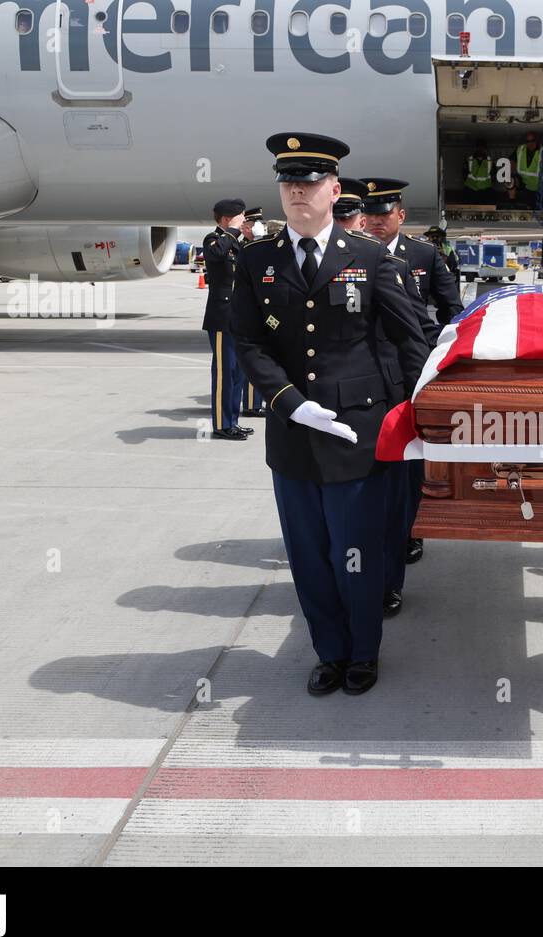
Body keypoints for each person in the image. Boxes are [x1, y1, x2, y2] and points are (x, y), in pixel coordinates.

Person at [229, 133, 430, 696]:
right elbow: (249, 342)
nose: (298, 190)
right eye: (289, 181)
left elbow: (407, 341)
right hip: (293, 435)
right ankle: (330, 651)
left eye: (311, 180)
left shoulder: (368, 258)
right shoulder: (257, 260)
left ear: (334, 189)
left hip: (356, 435)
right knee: (310, 557)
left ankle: (363, 650)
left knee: (356, 554)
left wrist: (410, 413)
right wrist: (291, 403)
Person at [361, 177, 458, 574]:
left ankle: (410, 527)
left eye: (385, 214)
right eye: (371, 214)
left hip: (408, 366)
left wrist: (446, 357)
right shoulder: (352, 252)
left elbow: (452, 309)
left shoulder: (423, 254)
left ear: (400, 215)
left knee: (409, 456)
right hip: (365, 367)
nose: (377, 221)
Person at [201, 198, 252, 440]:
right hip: (222, 318)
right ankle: (221, 424)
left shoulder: (235, 243)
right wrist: (232, 230)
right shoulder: (213, 239)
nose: (243, 221)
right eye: (239, 217)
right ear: (226, 219)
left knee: (238, 372)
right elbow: (216, 253)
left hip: (239, 317)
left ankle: (232, 420)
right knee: (224, 371)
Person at [237, 208, 268, 418]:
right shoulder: (241, 247)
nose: (259, 228)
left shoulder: (260, 245)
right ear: (245, 228)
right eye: (254, 225)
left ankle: (254, 402)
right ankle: (251, 403)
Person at [510, 131, 543, 208]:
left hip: (536, 185)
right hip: (522, 181)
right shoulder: (520, 149)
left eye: (532, 141)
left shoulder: (542, 151)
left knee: (532, 205)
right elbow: (512, 160)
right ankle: (512, 203)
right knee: (510, 179)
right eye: (528, 141)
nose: (530, 143)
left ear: (536, 141)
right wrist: (513, 175)